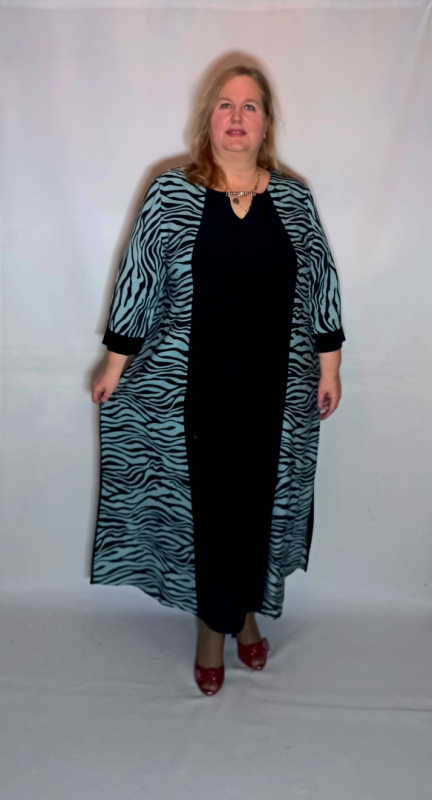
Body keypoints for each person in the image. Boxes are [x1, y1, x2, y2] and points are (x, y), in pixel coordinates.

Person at [91, 65, 345, 696]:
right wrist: (115, 364)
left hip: (275, 390)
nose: (237, 116)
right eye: (225, 104)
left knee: (259, 503)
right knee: (204, 510)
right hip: (190, 389)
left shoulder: (294, 198)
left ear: (266, 122)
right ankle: (212, 628)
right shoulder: (170, 192)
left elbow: (322, 281)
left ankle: (248, 613)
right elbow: (139, 278)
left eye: (250, 106)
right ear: (208, 118)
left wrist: (331, 366)